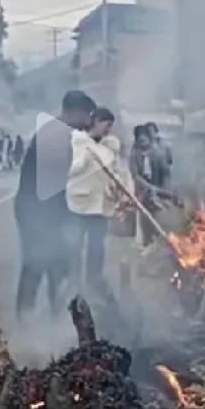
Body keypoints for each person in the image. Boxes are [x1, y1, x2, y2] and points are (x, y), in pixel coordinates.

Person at [15, 90, 96, 319]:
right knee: (36, 265)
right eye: (86, 116)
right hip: (37, 213)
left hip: (47, 211)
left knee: (57, 269)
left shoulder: (62, 134)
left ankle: (56, 322)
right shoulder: (54, 136)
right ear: (75, 112)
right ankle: (26, 324)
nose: (88, 123)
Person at [67, 107, 122, 289]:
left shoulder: (109, 146)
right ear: (96, 121)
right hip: (81, 204)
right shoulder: (78, 142)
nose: (108, 130)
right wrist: (84, 160)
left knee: (97, 246)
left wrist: (117, 190)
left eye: (111, 127)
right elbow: (70, 170)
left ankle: (94, 278)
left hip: (102, 204)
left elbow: (115, 173)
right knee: (76, 245)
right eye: (106, 125)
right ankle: (73, 282)